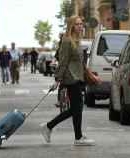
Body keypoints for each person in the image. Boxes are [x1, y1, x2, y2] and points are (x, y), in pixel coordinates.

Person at [40, 15, 95, 146]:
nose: (80, 26)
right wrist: (57, 79)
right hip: (70, 77)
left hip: (78, 77)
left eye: (81, 24)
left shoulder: (77, 40)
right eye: (77, 24)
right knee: (77, 108)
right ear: (71, 26)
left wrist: (89, 74)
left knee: (77, 108)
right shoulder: (66, 41)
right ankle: (51, 127)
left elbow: (80, 61)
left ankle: (74, 135)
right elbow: (63, 61)